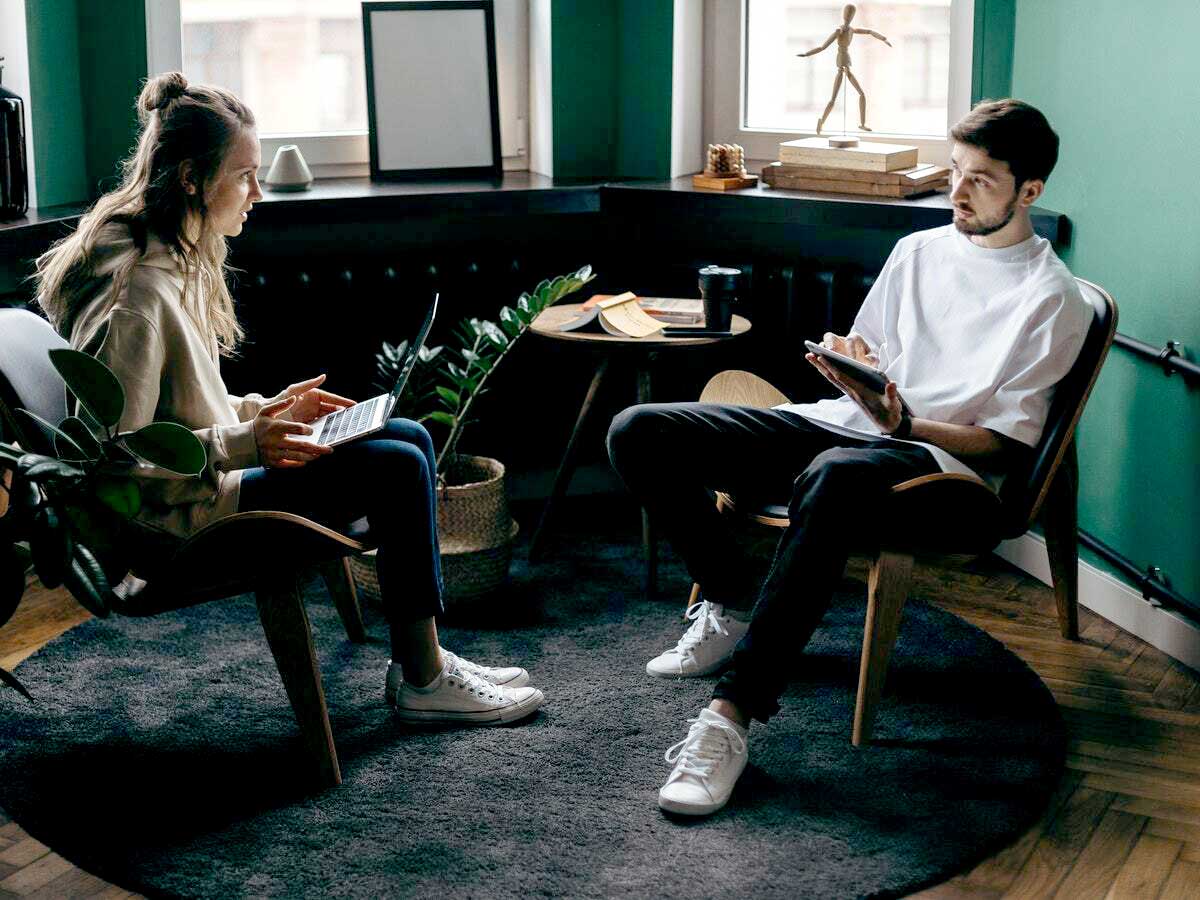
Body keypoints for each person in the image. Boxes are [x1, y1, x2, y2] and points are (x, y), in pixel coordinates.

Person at [607, 99, 1093, 816]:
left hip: (938, 468)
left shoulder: (1053, 299)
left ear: (1030, 192)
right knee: (638, 430)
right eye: (955, 171)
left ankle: (730, 718)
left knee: (832, 477)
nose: (957, 193)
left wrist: (907, 419)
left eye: (981, 180)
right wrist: (851, 366)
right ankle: (733, 597)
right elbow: (875, 352)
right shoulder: (918, 251)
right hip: (850, 424)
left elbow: (1001, 445)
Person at [34, 72, 544, 726]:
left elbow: (182, 408)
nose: (257, 190)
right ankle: (423, 677)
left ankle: (426, 659)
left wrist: (263, 411)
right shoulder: (139, 295)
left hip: (206, 486)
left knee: (409, 437)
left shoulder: (170, 251)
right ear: (192, 179)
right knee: (399, 465)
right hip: (174, 525)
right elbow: (114, 465)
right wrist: (247, 442)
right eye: (244, 175)